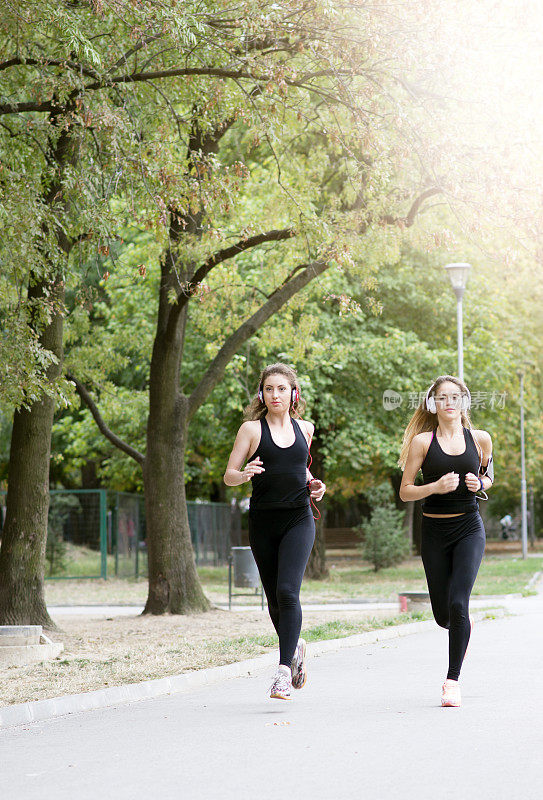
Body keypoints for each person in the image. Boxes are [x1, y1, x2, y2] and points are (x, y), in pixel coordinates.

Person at [224, 363, 326, 699]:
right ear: (261, 394)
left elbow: (300, 472)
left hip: (298, 518)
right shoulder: (251, 430)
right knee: (274, 601)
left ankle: (282, 672)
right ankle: (295, 648)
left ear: (293, 392)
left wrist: (315, 486)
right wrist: (246, 473)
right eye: (269, 389)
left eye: (281, 388)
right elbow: (229, 476)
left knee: (287, 591)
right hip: (263, 521)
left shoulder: (305, 428)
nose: (275, 395)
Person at [399, 375, 493, 707]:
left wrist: (478, 483)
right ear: (433, 404)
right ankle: (458, 626)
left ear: (464, 402)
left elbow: (488, 476)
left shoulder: (480, 439)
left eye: (455, 397)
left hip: (469, 529)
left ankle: (452, 681)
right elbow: (406, 490)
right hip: (434, 532)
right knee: (443, 615)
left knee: (458, 603)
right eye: (442, 398)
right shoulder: (423, 443)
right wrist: (434, 488)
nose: (449, 402)